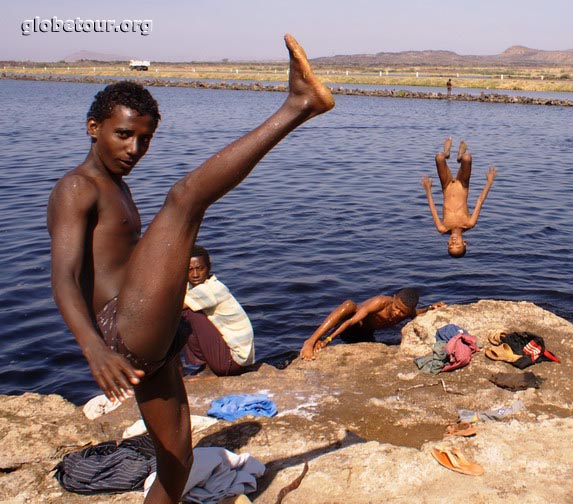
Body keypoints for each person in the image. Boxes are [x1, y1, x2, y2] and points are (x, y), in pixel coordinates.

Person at [47, 34, 334, 503]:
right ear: (92, 127)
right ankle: (299, 105)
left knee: (177, 465)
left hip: (148, 340)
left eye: (144, 139)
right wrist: (94, 350)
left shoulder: (115, 185)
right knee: (185, 201)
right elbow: (62, 276)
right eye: (123, 134)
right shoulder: (76, 188)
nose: (135, 148)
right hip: (122, 328)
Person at [300, 288, 444, 360]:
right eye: (396, 307)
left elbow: (417, 313)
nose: (397, 313)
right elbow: (351, 321)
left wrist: (430, 308)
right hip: (350, 326)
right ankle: (310, 341)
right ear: (393, 299)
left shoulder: (408, 312)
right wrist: (327, 340)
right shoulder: (379, 302)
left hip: (365, 334)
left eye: (402, 312)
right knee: (349, 305)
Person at [181, 245, 255, 377]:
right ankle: (205, 365)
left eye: (200, 269)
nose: (195, 274)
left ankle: (206, 367)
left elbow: (177, 306)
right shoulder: (192, 288)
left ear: (208, 268)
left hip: (233, 362)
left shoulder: (212, 288)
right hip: (233, 359)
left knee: (186, 314)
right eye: (189, 270)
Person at [421, 137, 496, 257]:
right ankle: (460, 156)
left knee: (439, 157)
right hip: (462, 185)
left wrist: (427, 190)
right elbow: (480, 201)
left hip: (446, 186)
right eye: (458, 245)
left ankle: (447, 154)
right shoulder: (469, 223)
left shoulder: (442, 228)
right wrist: (490, 181)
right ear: (464, 242)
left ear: (447, 243)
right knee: (467, 158)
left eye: (451, 245)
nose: (454, 242)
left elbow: (432, 208)